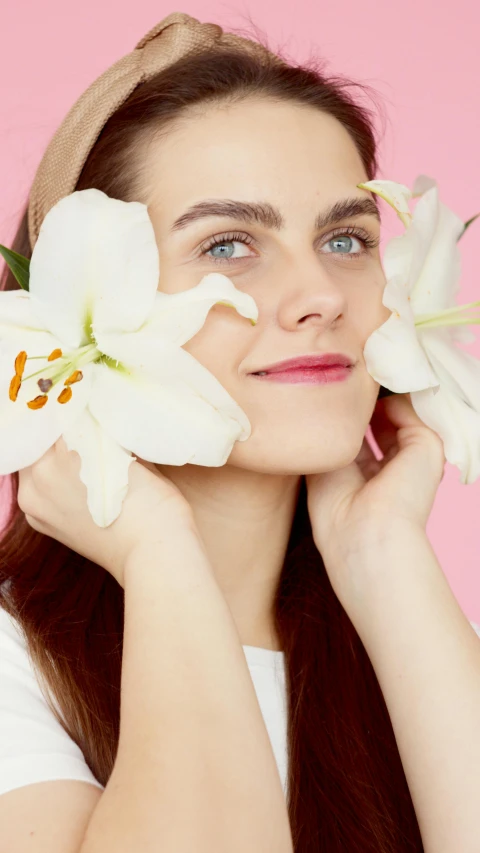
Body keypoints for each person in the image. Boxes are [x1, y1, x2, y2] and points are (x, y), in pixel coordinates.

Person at [1, 12, 480, 853]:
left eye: (345, 239)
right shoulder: (15, 666)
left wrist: (388, 561)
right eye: (229, 245)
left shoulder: (417, 644)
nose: (321, 294)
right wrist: (157, 552)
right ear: (76, 301)